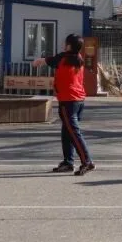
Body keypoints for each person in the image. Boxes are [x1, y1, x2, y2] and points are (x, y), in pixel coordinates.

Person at [33, 34, 96, 176]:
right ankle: (68, 162)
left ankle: (87, 161)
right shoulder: (79, 59)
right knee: (67, 132)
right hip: (79, 100)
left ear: (68, 46)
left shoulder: (64, 57)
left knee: (73, 132)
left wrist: (39, 61)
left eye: (65, 43)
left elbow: (51, 60)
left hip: (68, 101)